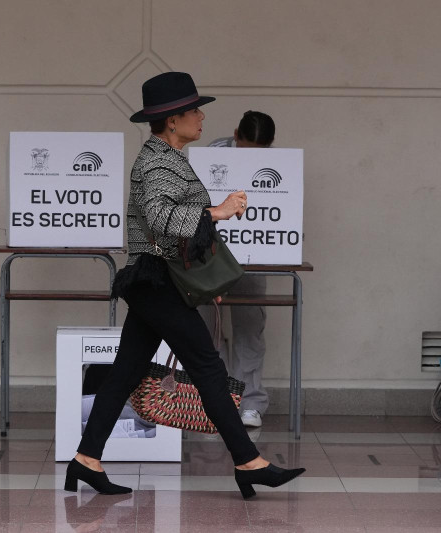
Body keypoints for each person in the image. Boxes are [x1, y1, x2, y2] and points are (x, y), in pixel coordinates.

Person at [64, 72, 304, 499]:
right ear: (172, 120)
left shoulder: (169, 156)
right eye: (194, 110)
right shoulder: (157, 161)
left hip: (157, 280)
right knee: (209, 367)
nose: (201, 115)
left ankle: (85, 459)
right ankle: (248, 463)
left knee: (126, 371)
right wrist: (217, 212)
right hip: (156, 281)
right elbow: (160, 219)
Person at [204, 110, 276, 429]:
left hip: (253, 253)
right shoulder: (210, 156)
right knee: (209, 328)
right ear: (236, 135)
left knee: (250, 326)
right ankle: (216, 401)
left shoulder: (277, 164)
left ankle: (250, 402)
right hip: (212, 254)